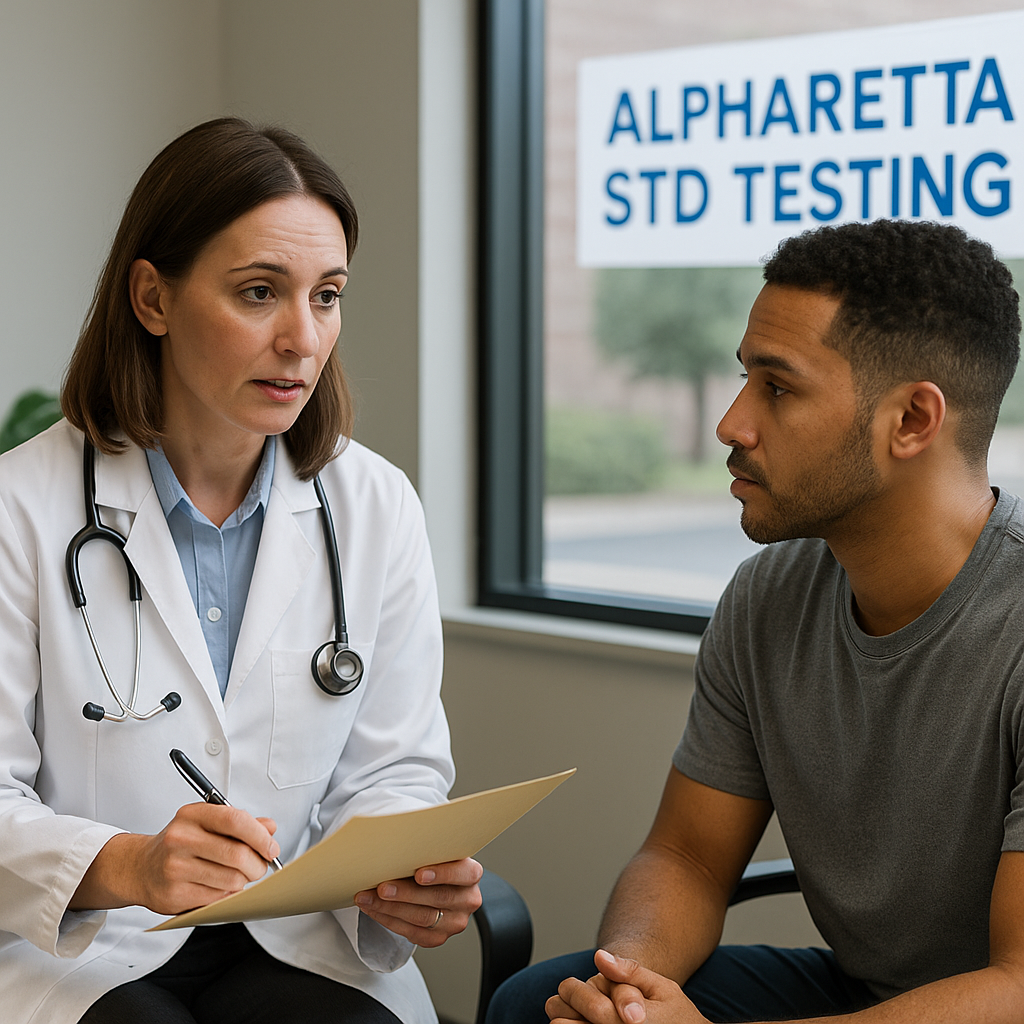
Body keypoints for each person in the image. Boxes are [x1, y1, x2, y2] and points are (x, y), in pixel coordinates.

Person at [0, 117, 481, 1024]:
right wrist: (129, 865)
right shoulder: (18, 509)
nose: (303, 338)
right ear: (153, 298)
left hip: (302, 935)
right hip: (88, 945)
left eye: (327, 295)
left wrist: (397, 870)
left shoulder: (375, 505)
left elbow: (397, 769)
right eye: (260, 292)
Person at [485, 219, 1024, 1024]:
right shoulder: (766, 598)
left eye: (777, 387)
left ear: (912, 420)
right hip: (870, 997)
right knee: (542, 1005)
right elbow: (689, 858)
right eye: (745, 380)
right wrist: (627, 991)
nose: (732, 424)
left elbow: (1017, 984)